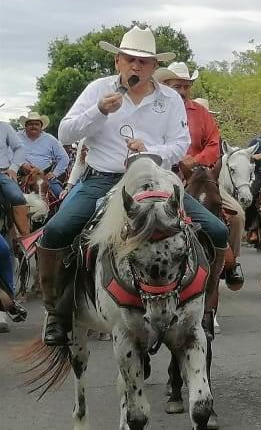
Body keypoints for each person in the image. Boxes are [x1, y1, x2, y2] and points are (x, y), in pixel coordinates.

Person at [36, 25, 232, 346]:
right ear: (118, 62)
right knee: (56, 231)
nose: (136, 66)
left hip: (156, 181)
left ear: (155, 66)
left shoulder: (169, 98)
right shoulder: (98, 89)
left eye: (144, 61)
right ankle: (56, 313)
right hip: (104, 179)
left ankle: (206, 308)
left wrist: (152, 151)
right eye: (130, 59)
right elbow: (66, 133)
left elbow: (181, 145)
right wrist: (99, 111)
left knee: (217, 230)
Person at [156, 62, 245, 288]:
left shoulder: (201, 112)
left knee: (237, 216)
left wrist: (195, 160)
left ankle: (231, 262)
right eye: (178, 86)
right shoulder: (157, 110)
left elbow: (214, 143)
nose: (183, 91)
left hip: (202, 175)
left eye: (186, 86)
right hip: (166, 175)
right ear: (166, 86)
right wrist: (177, 160)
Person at [17, 112, 69, 197]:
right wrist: (22, 164)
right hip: (21, 175)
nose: (33, 126)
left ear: (41, 127)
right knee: (11, 197)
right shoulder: (16, 137)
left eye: (36, 124)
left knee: (61, 196)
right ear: (25, 126)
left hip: (45, 176)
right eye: (30, 124)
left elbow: (64, 158)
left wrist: (54, 173)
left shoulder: (50, 139)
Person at [0, 121, 31, 245]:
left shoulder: (4, 127)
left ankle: (25, 239)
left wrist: (13, 168)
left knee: (16, 196)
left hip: (2, 172)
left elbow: (19, 147)